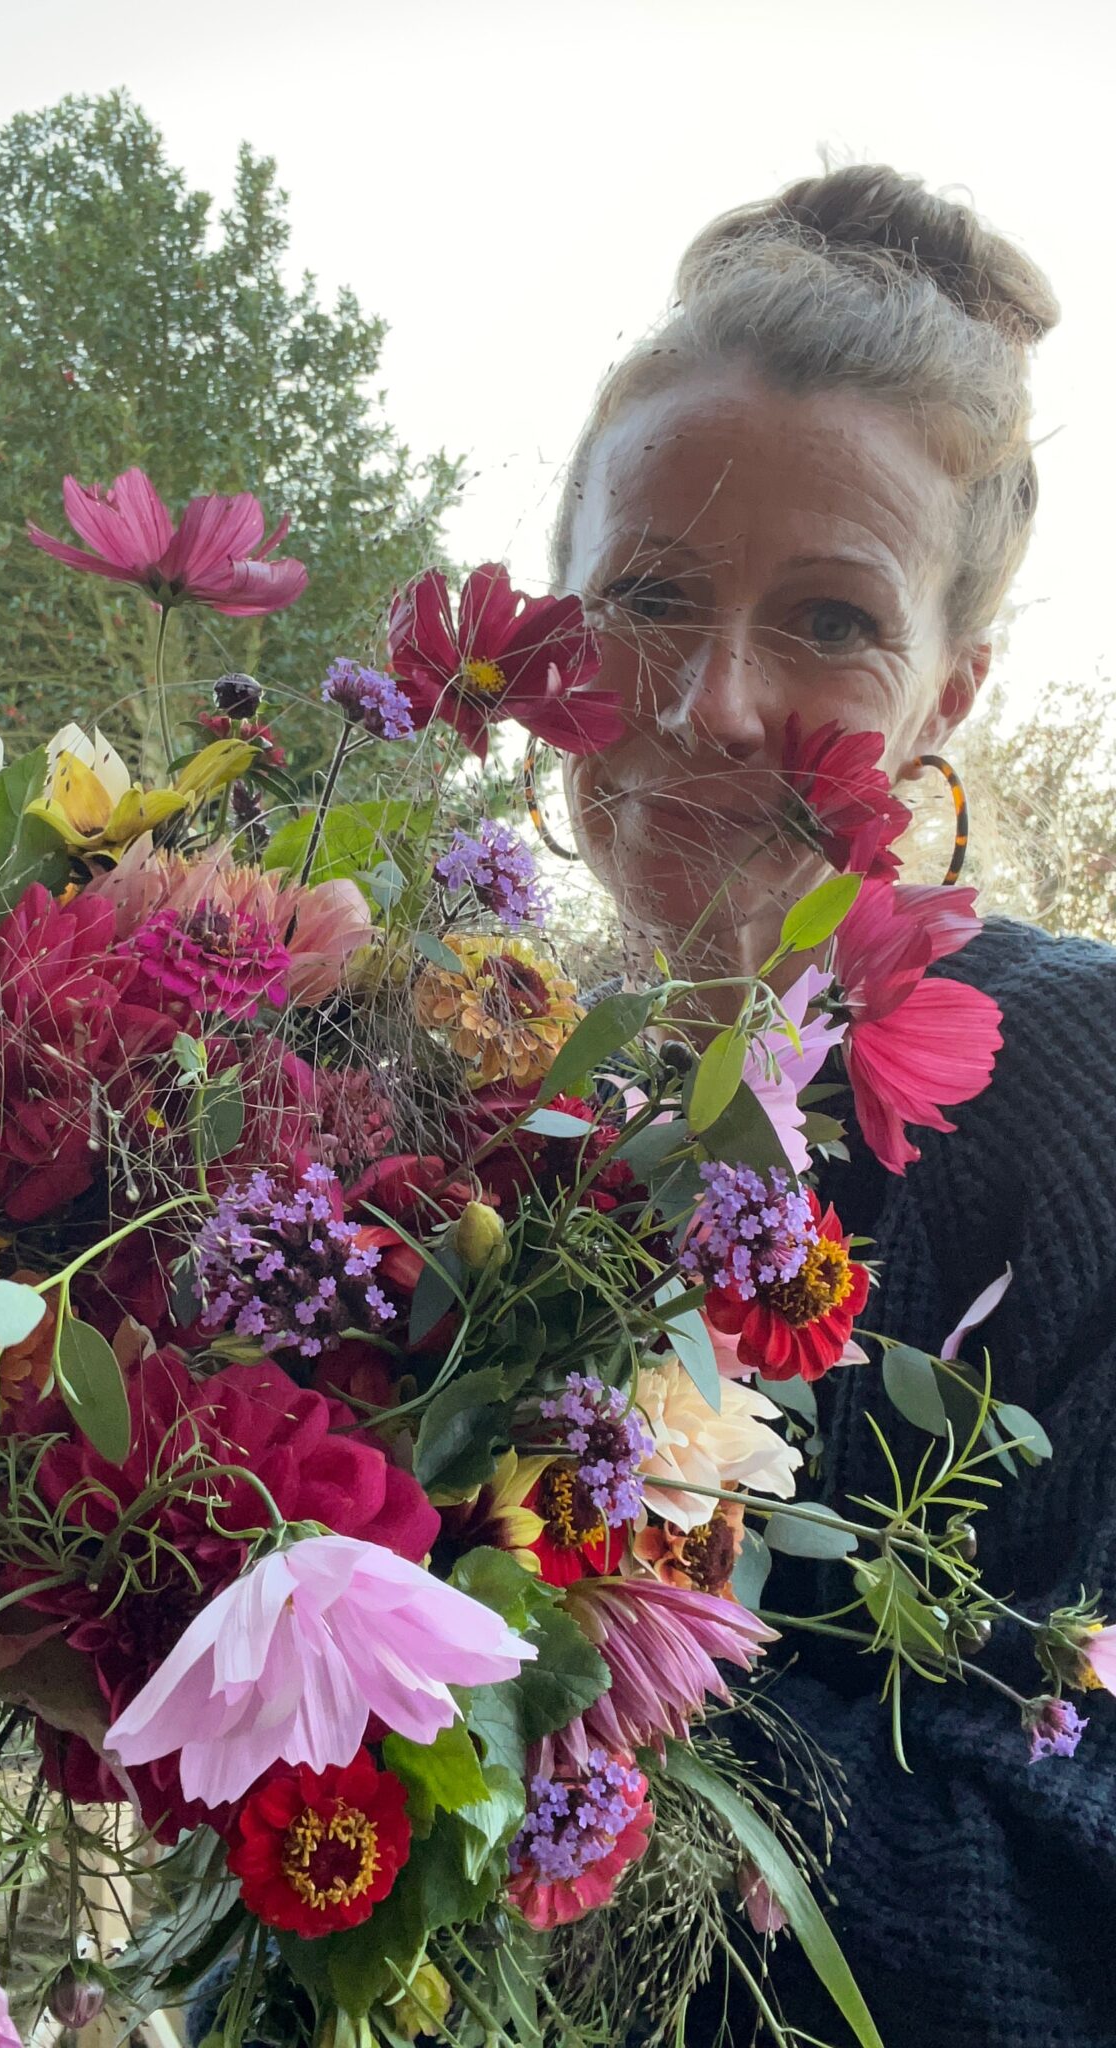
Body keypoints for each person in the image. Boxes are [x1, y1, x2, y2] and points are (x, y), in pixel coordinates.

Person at [553, 166, 1116, 2047]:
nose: (716, 702)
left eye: (830, 618)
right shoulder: (470, 1094)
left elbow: (1078, 1875)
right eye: (648, 595)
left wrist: (493, 1720)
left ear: (951, 691)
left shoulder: (1083, 1101)